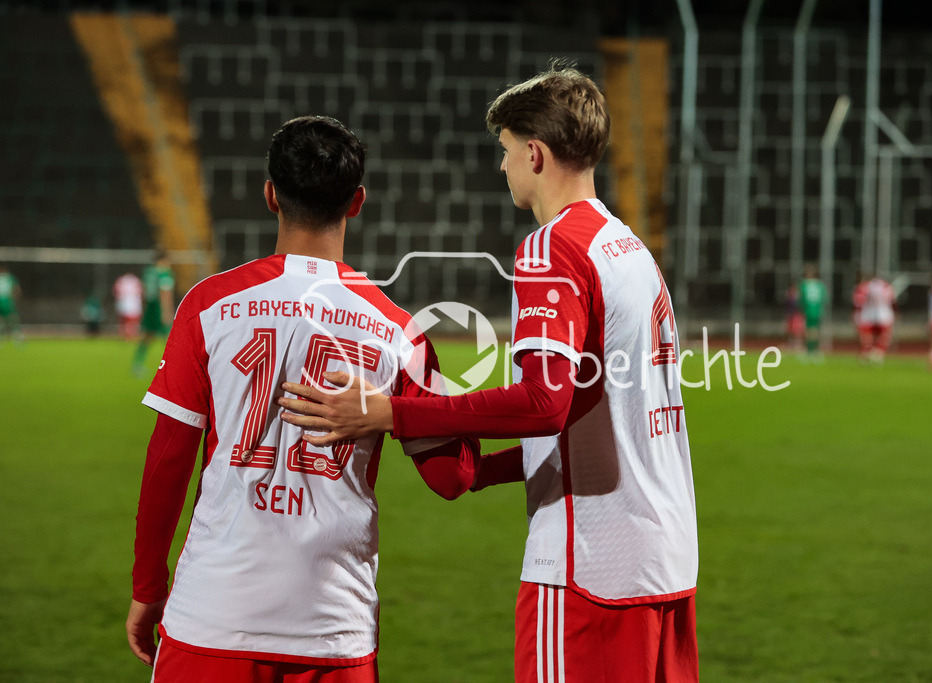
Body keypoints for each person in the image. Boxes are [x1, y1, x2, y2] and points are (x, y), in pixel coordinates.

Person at [278, 66, 699, 682]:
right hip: (664, 559)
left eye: (504, 153)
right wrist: (493, 469)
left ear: (535, 153)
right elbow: (600, 410)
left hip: (591, 567)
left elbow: (544, 402)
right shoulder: (626, 246)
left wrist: (392, 412)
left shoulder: (554, 247)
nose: (502, 168)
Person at [126, 116, 479, 681]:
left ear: (270, 195)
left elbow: (168, 457)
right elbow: (452, 478)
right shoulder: (400, 331)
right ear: (357, 202)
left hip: (213, 618)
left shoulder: (209, 304)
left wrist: (148, 586)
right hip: (333, 626)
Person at [132, 249, 175, 375]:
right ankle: (173, 368)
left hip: (149, 308)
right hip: (159, 309)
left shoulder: (149, 272)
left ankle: (137, 365)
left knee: (146, 337)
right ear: (164, 260)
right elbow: (165, 294)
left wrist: (144, 309)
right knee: (170, 340)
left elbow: (143, 293)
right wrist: (167, 313)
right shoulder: (165, 274)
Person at [852, 271, 896, 364]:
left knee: (867, 336)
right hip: (883, 314)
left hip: (869, 314)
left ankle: (868, 353)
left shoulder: (865, 287)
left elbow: (858, 302)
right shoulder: (886, 286)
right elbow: (892, 301)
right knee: (882, 336)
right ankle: (876, 354)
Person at [798, 264, 827, 360]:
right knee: (815, 330)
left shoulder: (804, 284)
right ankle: (814, 350)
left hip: (809, 310)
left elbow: (801, 299)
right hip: (817, 310)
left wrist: (802, 309)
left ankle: (810, 349)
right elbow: (824, 298)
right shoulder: (820, 285)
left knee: (809, 330)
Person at [113, 271, 143, 339]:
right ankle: (130, 334)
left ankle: (126, 334)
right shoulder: (136, 280)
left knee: (125, 321)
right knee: (131, 321)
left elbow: (116, 292)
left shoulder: (121, 280)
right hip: (132, 301)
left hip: (125, 301)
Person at [0, 264, 23, 343]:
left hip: (7, 300)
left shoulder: (9, 278)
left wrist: (14, 297)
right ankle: (2, 336)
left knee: (12, 318)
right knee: (1, 320)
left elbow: (16, 288)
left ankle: (16, 335)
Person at [785, 280, 805, 352]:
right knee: (791, 332)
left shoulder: (798, 297)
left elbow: (800, 306)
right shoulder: (789, 295)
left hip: (797, 315)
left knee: (798, 332)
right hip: (791, 315)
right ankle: (792, 345)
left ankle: (798, 345)